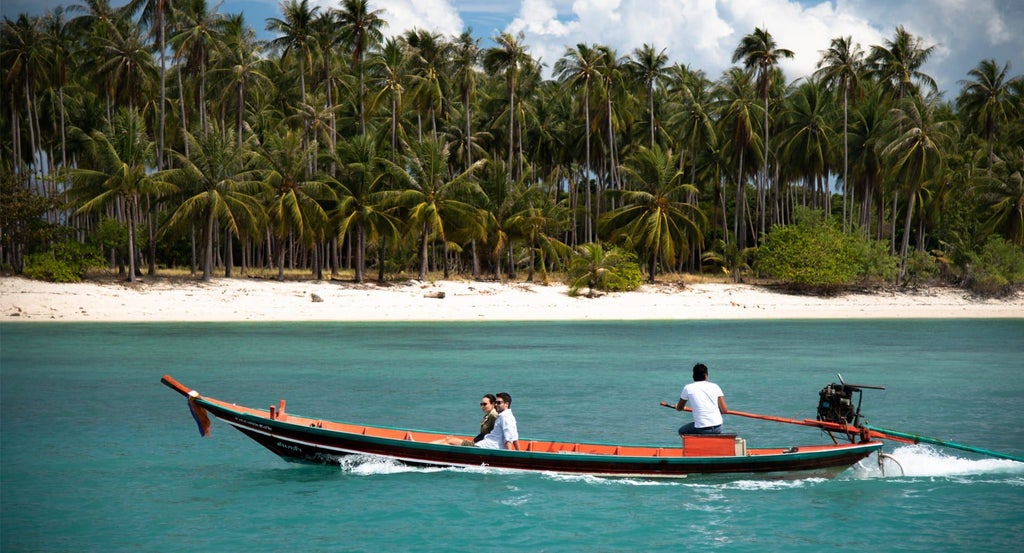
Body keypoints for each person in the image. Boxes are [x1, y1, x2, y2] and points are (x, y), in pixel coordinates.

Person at [674, 363, 728, 445]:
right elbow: (724, 410)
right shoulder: (715, 386)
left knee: (682, 431)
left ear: (693, 376)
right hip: (718, 427)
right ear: (706, 375)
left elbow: (679, 408)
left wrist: (677, 406)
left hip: (702, 429)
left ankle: (694, 450)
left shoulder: (688, 388)